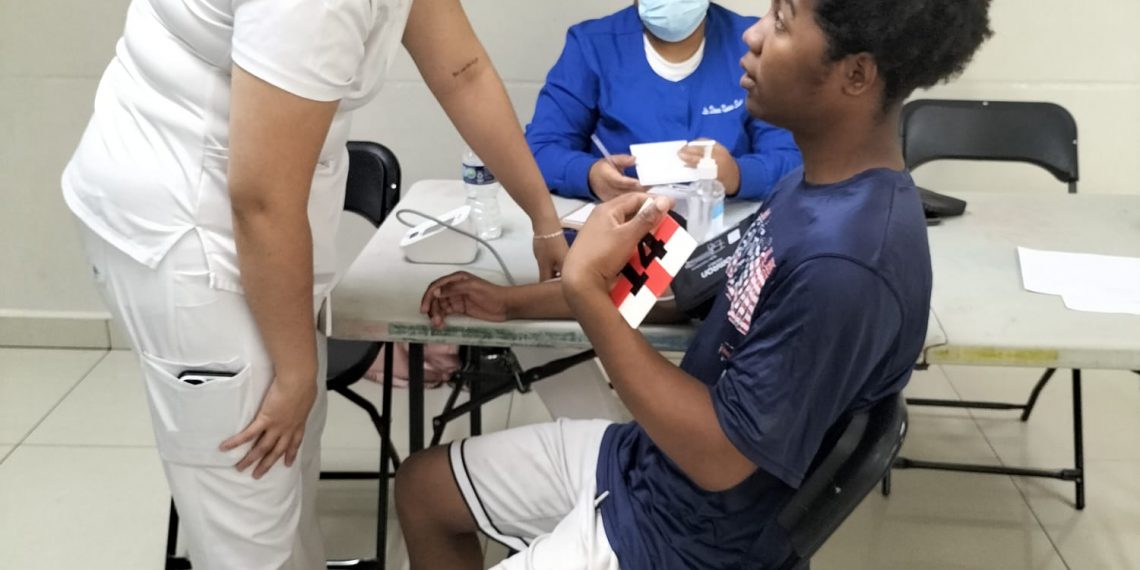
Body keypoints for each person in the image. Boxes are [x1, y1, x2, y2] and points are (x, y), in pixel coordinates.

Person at [396, 0, 993, 568]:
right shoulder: (810, 190)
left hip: (688, 540)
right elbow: (681, 292)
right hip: (652, 464)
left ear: (856, 74)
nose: (753, 34)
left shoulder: (846, 264)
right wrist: (511, 303)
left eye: (782, 21)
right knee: (423, 489)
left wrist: (586, 290)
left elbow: (720, 459)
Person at [61, 0, 568, 567]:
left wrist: (542, 218)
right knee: (249, 526)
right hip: (194, 236)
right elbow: (261, 198)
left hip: (259, 226)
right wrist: (298, 370)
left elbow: (463, 72)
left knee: (290, 482)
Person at [525, 0, 803, 202]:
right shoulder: (591, 46)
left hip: (725, 238)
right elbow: (540, 149)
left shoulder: (750, 42)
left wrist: (739, 176)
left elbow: (793, 158)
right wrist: (589, 175)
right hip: (622, 238)